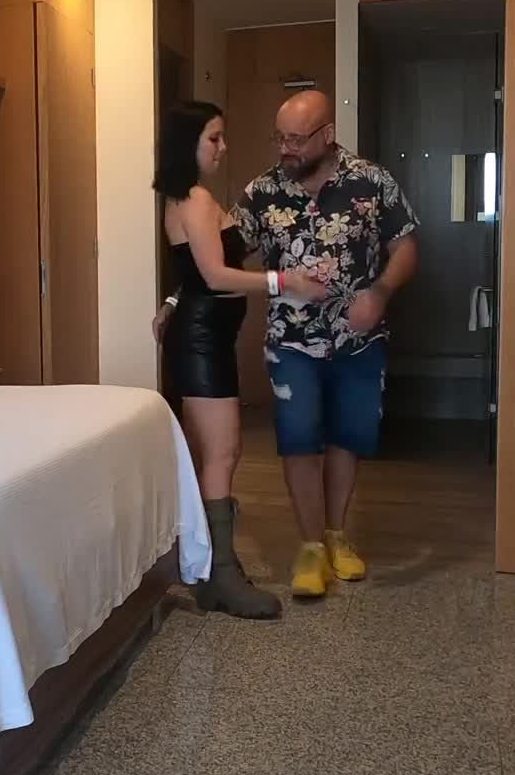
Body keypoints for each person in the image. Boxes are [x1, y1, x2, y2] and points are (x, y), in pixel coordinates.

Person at [234, 89, 417, 598]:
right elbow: (217, 254)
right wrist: (175, 298)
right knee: (298, 437)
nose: (285, 149)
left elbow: (405, 247)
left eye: (296, 139)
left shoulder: (371, 181)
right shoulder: (262, 191)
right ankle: (310, 546)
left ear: (327, 134)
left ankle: (337, 535)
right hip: (291, 341)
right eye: (280, 138)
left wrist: (380, 292)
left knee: (346, 436)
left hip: (358, 338)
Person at [152, 101, 326, 620]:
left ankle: (210, 571)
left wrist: (172, 300)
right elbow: (214, 276)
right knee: (221, 454)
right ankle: (220, 577)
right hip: (202, 340)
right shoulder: (195, 199)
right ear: (189, 143)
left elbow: (193, 273)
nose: (223, 148)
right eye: (214, 138)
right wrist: (285, 282)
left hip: (206, 335)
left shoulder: (190, 198)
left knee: (217, 453)